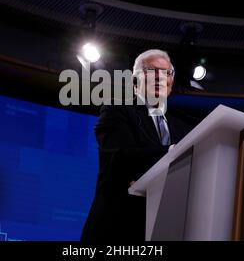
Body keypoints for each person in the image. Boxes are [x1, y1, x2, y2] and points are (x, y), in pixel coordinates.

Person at [81, 49, 198, 243]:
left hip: (166, 228)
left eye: (167, 73)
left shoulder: (184, 125)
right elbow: (119, 155)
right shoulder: (116, 110)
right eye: (152, 71)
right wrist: (171, 152)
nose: (161, 77)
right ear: (135, 81)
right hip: (117, 228)